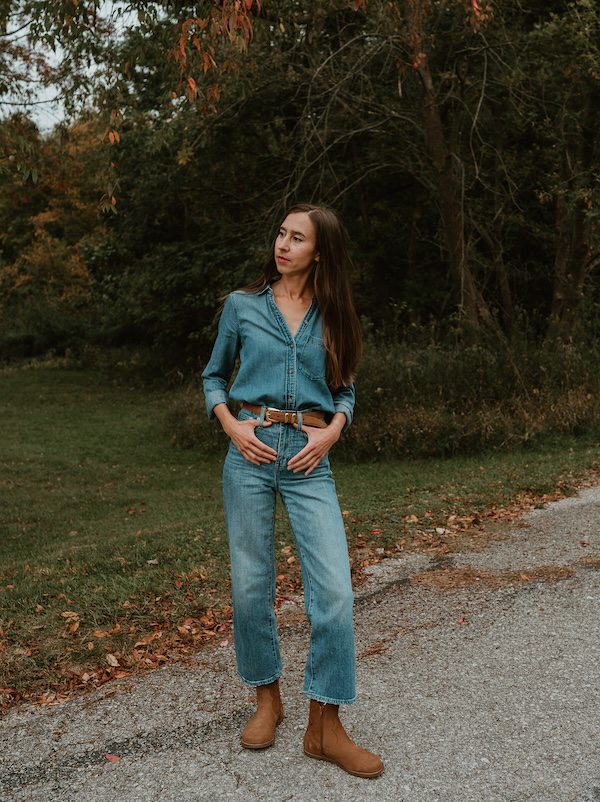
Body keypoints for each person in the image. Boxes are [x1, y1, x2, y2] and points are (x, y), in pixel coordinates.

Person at [201, 203, 384, 779]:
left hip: (309, 460)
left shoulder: (335, 315)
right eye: (281, 233)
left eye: (297, 237)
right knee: (252, 587)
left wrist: (332, 431)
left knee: (333, 593)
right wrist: (231, 425)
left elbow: (345, 390)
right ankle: (267, 699)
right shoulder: (242, 306)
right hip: (249, 456)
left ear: (319, 251)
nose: (283, 244)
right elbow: (212, 376)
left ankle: (324, 726)